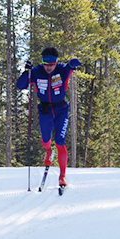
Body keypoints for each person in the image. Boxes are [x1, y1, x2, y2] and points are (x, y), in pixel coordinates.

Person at [16, 47, 81, 187]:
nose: (48, 67)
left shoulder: (62, 70)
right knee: (45, 139)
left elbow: (70, 66)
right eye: (46, 63)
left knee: (60, 142)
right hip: (45, 110)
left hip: (61, 109)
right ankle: (48, 151)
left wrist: (74, 64)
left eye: (52, 64)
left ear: (56, 62)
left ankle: (62, 176)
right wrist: (26, 72)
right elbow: (20, 86)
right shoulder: (37, 72)